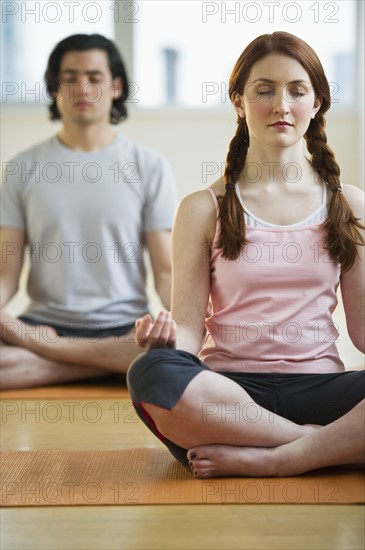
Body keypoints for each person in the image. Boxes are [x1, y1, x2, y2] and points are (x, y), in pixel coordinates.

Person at [127, 32, 365, 478]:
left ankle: (278, 458)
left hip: (322, 388)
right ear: (238, 101)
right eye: (264, 90)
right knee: (152, 372)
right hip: (228, 398)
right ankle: (323, 446)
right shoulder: (203, 208)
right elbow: (188, 330)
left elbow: (364, 331)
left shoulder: (348, 203)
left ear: (316, 103)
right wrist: (165, 343)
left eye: (297, 91)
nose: (282, 105)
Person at [0, 34, 177, 389]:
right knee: (153, 362)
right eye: (70, 78)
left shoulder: (149, 167)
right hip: (43, 321)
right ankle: (112, 366)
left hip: (124, 326)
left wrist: (182, 326)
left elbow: (165, 269)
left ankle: (57, 356)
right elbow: (6, 273)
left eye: (94, 78)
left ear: (114, 87)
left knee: (179, 352)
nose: (82, 88)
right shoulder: (21, 169)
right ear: (55, 88)